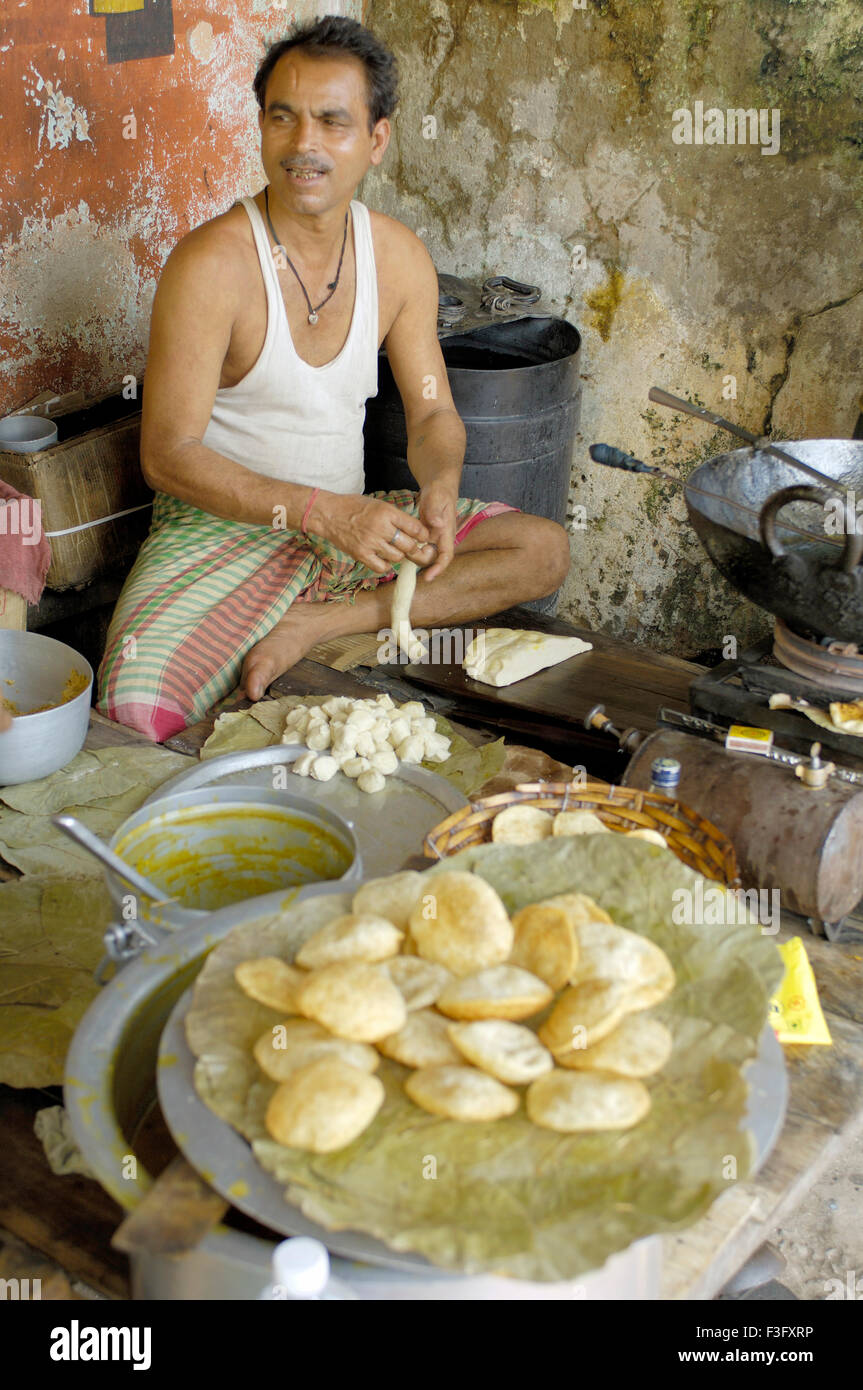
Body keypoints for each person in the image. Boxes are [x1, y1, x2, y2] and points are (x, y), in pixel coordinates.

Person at [97, 16, 571, 742]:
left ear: (376, 140)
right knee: (138, 713)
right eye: (282, 118)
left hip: (347, 540)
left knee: (541, 551)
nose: (303, 145)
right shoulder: (212, 265)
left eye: (331, 121)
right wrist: (321, 514)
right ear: (260, 126)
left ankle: (321, 624)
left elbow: (433, 413)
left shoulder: (397, 256)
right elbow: (167, 455)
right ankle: (298, 626)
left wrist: (439, 488)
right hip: (221, 533)